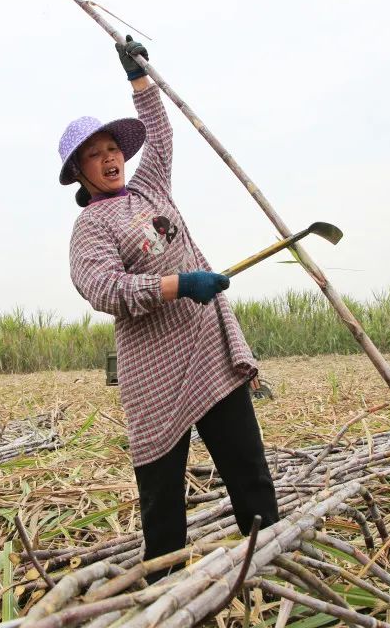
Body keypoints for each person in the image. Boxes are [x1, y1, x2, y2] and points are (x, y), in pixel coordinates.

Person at [62, 36, 278, 579]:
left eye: (112, 149)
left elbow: (159, 133)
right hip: (155, 374)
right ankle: (163, 594)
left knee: (250, 475)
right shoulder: (90, 227)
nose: (109, 158)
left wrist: (138, 76)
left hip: (208, 353)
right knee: (163, 506)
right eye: (95, 154)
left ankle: (270, 566)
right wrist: (177, 284)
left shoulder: (149, 190)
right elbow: (104, 289)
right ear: (80, 172)